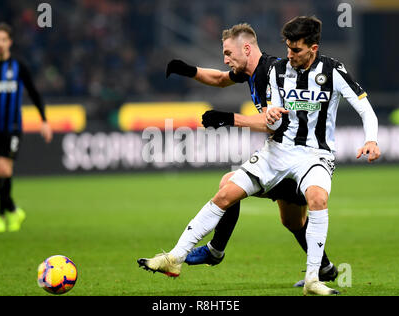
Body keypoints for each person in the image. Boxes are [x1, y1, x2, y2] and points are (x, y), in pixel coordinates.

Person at [138, 16, 380, 295]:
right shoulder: (278, 70)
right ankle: (177, 257)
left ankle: (314, 276)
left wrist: (371, 139)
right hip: (277, 152)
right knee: (228, 192)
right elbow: (265, 114)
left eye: (296, 50)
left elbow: (363, 107)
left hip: (314, 155)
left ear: (313, 48)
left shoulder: (328, 70)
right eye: (287, 48)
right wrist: (272, 113)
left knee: (309, 205)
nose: (289, 55)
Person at [165, 23, 337, 287]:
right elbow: (221, 79)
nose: (226, 59)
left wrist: (228, 119)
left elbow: (273, 123)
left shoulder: (274, 72)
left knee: (230, 185)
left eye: (228, 53)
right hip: (281, 155)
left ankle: (215, 251)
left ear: (246, 48)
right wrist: (189, 71)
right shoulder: (251, 71)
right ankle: (324, 267)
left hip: (300, 156)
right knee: (291, 221)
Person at [0, 23, 53, 233]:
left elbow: (34, 93)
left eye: (3, 39)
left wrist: (44, 120)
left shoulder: (18, 65)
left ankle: (0, 214)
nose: (0, 43)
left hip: (12, 126)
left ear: (10, 42)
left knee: (5, 168)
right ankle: (14, 209)